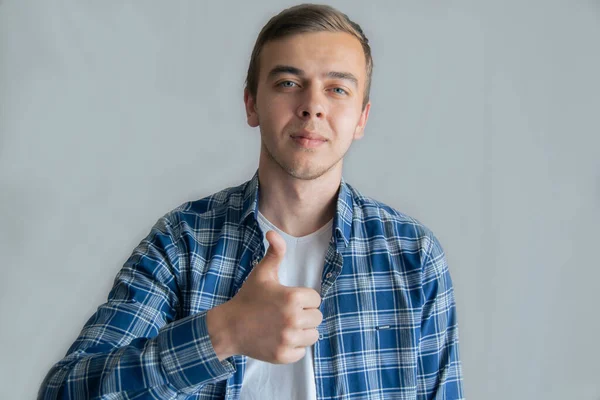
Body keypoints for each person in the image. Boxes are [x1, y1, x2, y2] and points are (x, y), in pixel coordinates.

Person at [38, 3, 464, 399]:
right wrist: (223, 333)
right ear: (251, 103)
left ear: (361, 119)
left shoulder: (414, 258)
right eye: (288, 83)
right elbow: (63, 392)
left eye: (337, 89)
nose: (312, 106)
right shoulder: (182, 243)